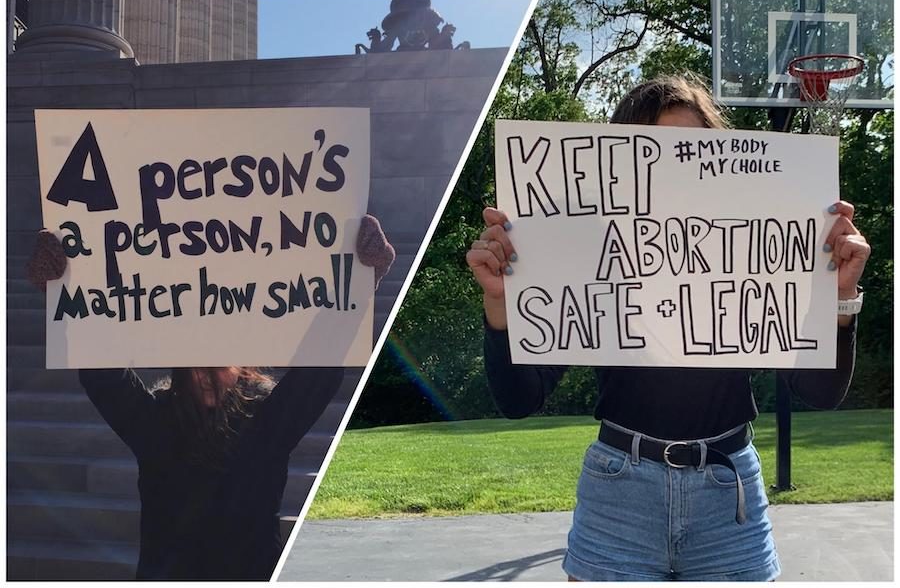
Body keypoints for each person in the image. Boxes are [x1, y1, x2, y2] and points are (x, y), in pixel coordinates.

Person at [465, 76, 871, 582]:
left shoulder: (752, 247)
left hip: (730, 497)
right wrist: (500, 304)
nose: (677, 168)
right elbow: (518, 400)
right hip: (618, 497)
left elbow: (820, 392)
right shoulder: (585, 254)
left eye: (694, 149)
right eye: (654, 151)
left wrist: (839, 299)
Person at [28, 215, 395, 580]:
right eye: (194, 361)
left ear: (242, 361)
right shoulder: (155, 422)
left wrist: (362, 282)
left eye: (217, 360)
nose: (204, 373)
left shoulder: (268, 420)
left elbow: (322, 369)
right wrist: (63, 289)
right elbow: (101, 374)